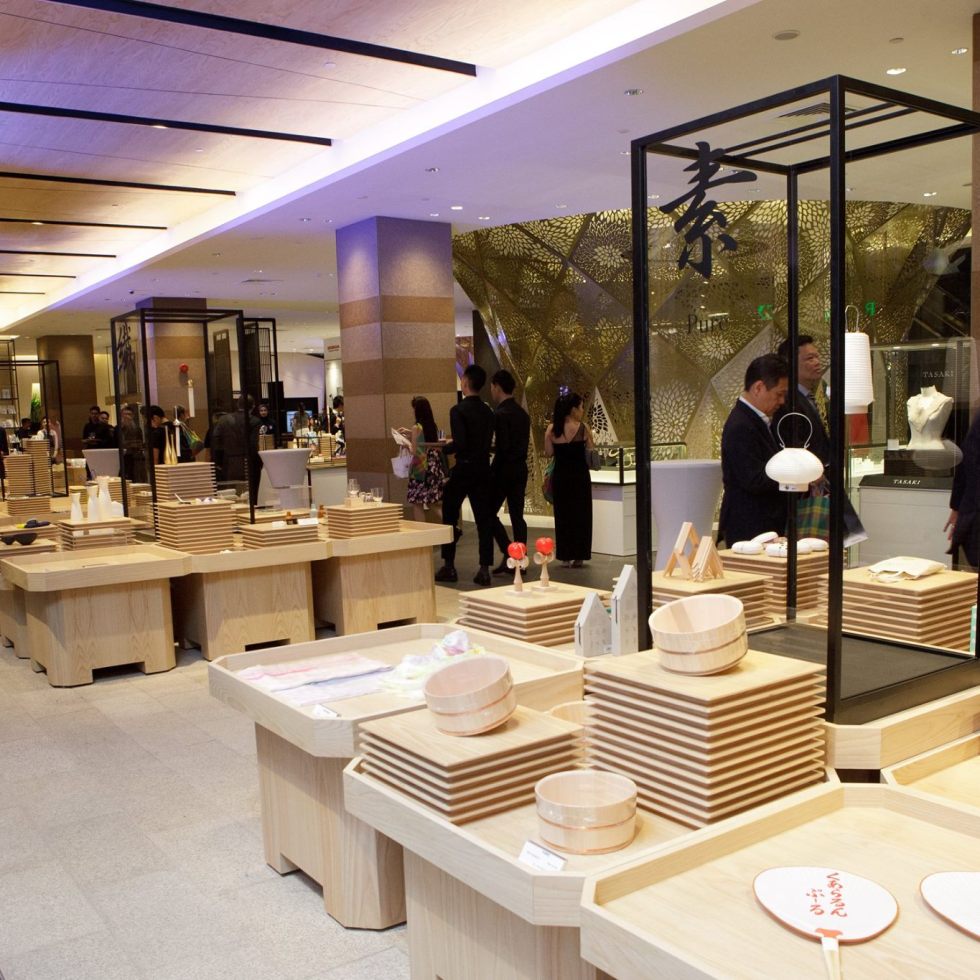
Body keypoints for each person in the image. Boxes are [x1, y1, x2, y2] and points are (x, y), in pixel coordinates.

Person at [718, 354, 789, 547]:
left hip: (763, 523)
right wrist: (793, 475)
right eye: (779, 394)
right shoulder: (741, 425)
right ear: (758, 388)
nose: (782, 401)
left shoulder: (759, 420)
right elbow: (753, 479)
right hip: (750, 525)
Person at [436, 364, 495, 586]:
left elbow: (460, 443)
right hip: (483, 469)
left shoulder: (458, 410)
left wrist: (445, 448)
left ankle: (449, 566)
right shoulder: (488, 412)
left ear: (465, 382)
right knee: (484, 520)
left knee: (450, 515)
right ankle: (484, 569)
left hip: (464, 469)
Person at [544, 392, 594, 567]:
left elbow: (549, 453)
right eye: (580, 407)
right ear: (573, 409)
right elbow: (591, 451)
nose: (582, 410)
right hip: (580, 477)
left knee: (563, 516)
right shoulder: (583, 428)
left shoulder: (552, 429)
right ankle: (580, 555)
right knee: (582, 516)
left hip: (561, 477)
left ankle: (565, 556)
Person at [488, 369, 531, 574]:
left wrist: (491, 469)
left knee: (488, 512)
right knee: (517, 515)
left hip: (503, 470)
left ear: (497, 387)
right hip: (520, 469)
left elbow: (502, 447)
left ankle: (509, 552)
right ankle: (520, 559)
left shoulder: (500, 414)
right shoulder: (522, 414)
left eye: (492, 387)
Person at [774, 335, 829, 467]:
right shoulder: (787, 401)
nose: (817, 362)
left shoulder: (812, 397)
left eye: (817, 357)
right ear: (790, 363)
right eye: (810, 358)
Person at [401, 396, 449, 523]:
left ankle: (422, 531)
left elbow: (415, 451)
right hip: (433, 466)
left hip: (420, 468)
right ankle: (451, 525)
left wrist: (406, 444)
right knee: (432, 502)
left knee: (417, 502)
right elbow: (426, 440)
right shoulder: (431, 425)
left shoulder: (416, 427)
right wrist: (410, 433)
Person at [118, 404, 146, 482]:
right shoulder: (118, 429)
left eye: (129, 414)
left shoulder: (137, 429)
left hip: (135, 458)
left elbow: (140, 442)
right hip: (122, 458)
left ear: (133, 416)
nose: (127, 416)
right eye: (125, 414)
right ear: (121, 415)